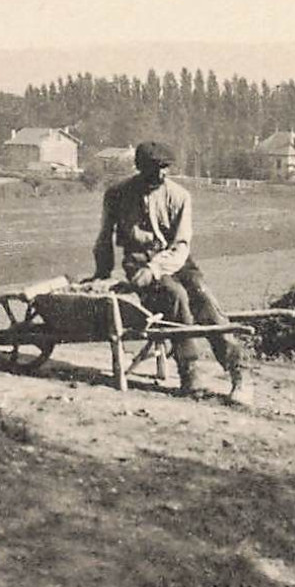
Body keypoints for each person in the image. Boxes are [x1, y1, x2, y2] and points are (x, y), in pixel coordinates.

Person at [92, 140, 252, 405]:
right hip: (138, 263)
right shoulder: (117, 195)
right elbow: (104, 238)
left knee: (204, 299)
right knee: (174, 296)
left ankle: (240, 375)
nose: (161, 174)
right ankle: (190, 372)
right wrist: (103, 273)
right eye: (155, 169)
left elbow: (180, 245)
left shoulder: (179, 196)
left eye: (165, 168)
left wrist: (155, 269)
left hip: (176, 261)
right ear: (139, 167)